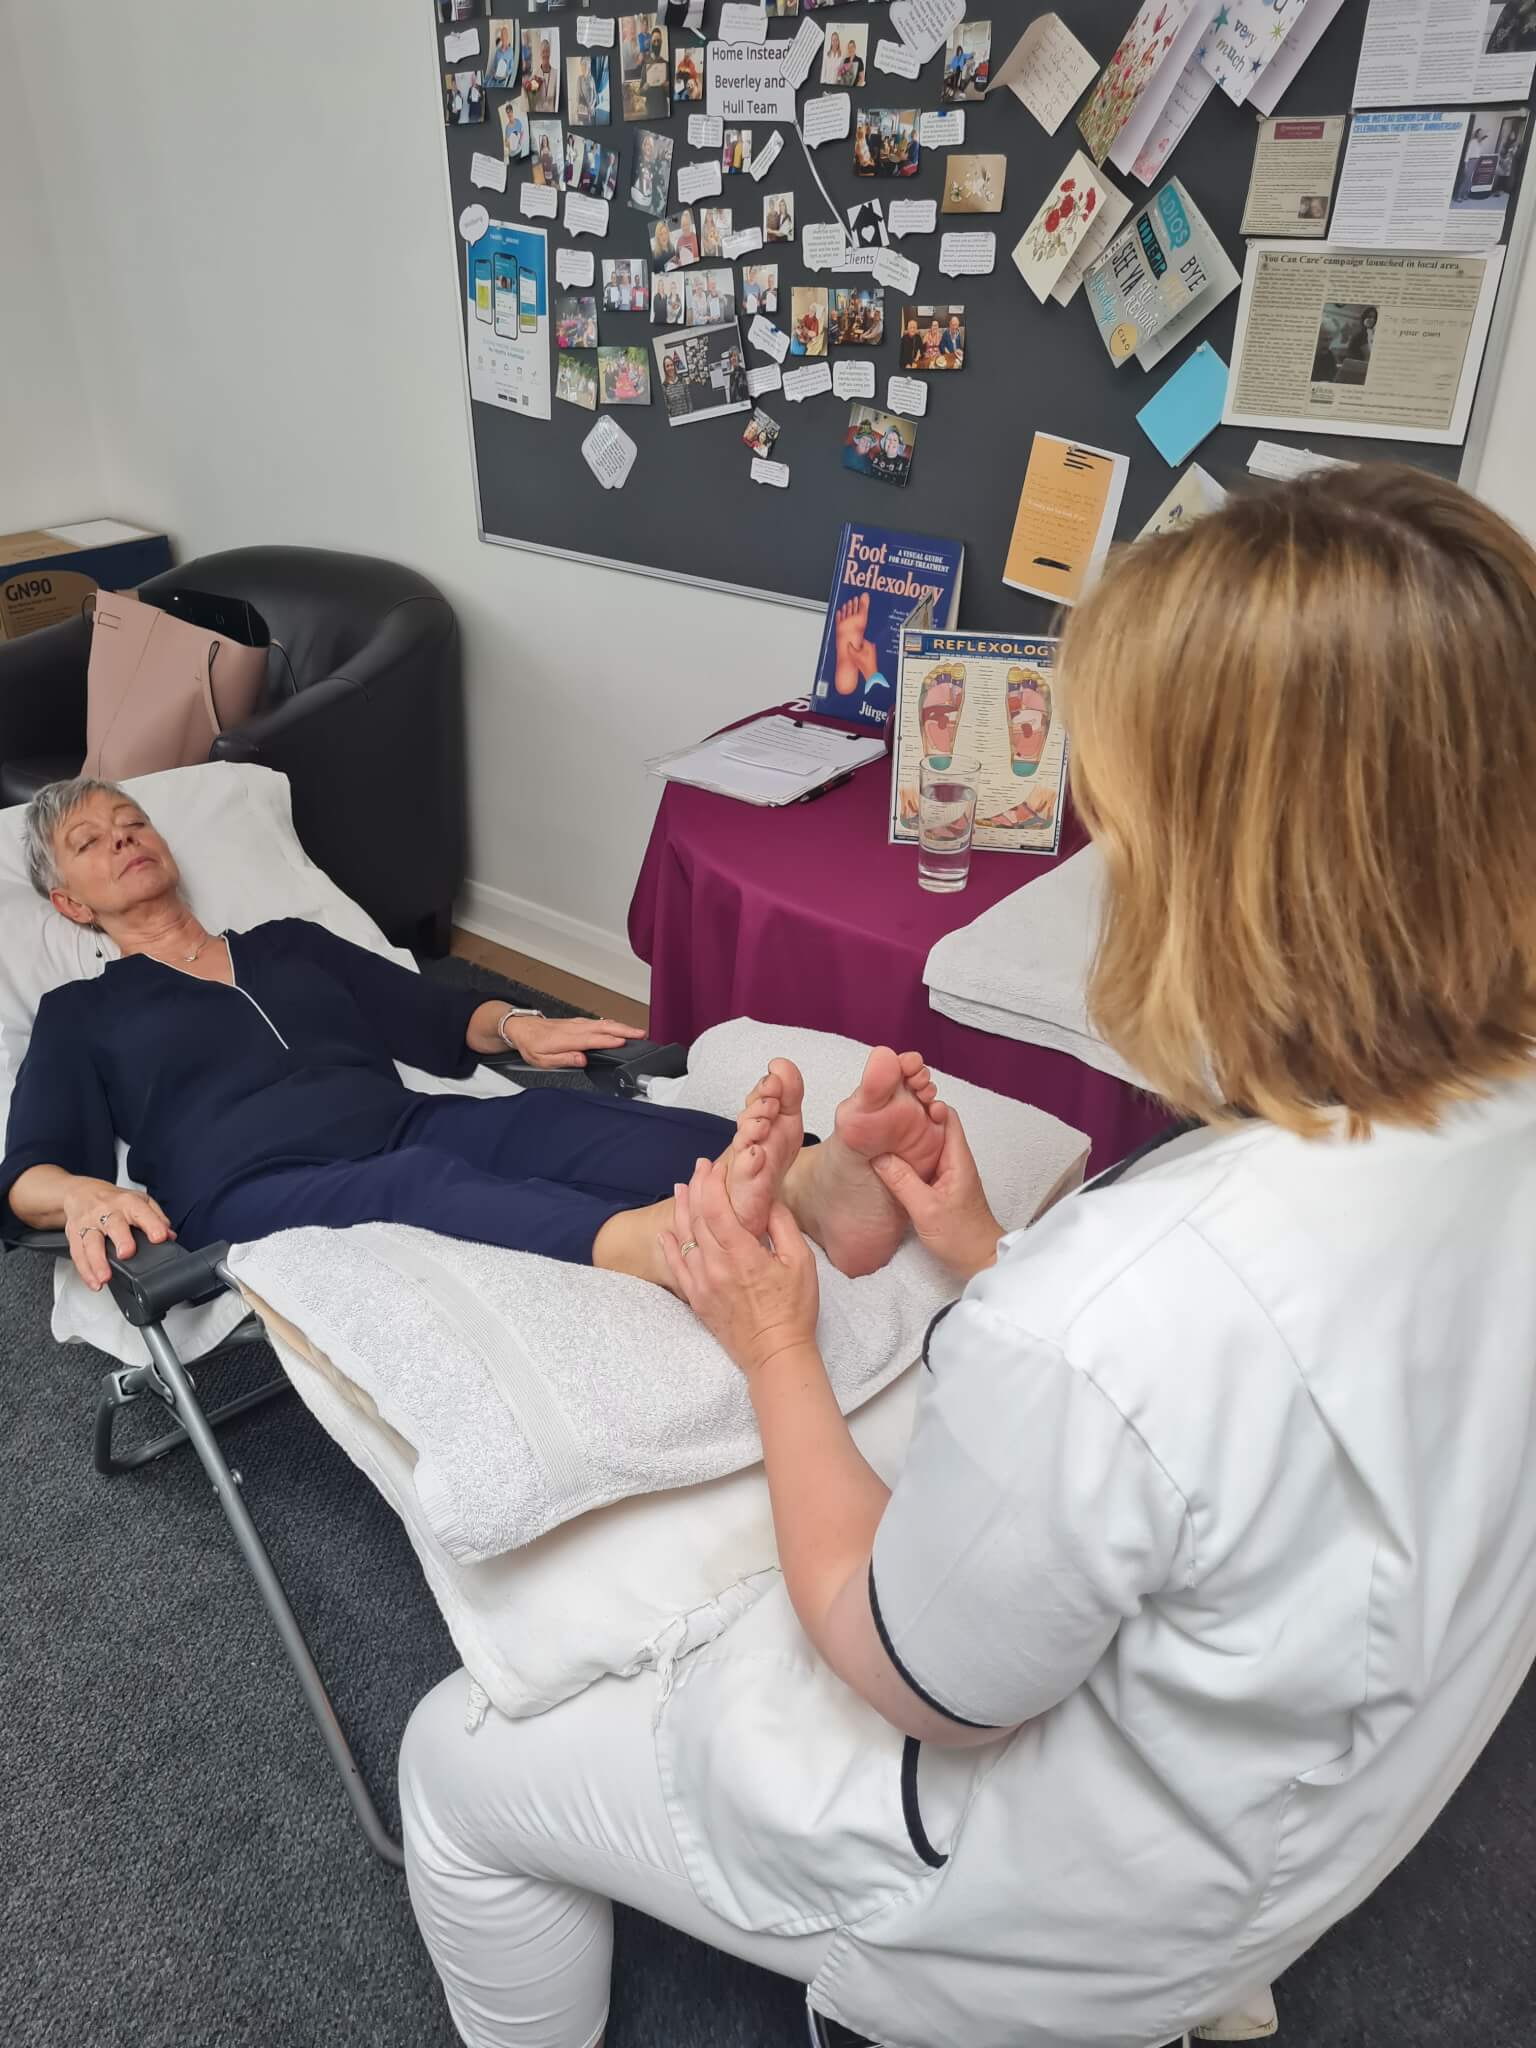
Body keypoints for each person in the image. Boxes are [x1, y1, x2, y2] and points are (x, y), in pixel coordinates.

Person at [400, 464, 1536, 2048]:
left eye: (1118, 829)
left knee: (456, 1763)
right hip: (1308, 1817)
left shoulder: (1123, 1315)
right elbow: (1238, 1421)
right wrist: (986, 1247)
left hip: (1017, 1903)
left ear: (1234, 882)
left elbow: (911, 1670)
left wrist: (773, 1339)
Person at [2, 781, 945, 1302]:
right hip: (248, 1188)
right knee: (422, 1186)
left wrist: (519, 1025)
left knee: (548, 1131)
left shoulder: (285, 943)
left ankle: (817, 1184)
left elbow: (426, 1011)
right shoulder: (86, 1013)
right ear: (70, 903)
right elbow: (28, 1168)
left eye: (135, 823)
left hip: (401, 1120)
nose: (125, 838)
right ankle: (653, 1247)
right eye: (93, 841)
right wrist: (82, 1192)